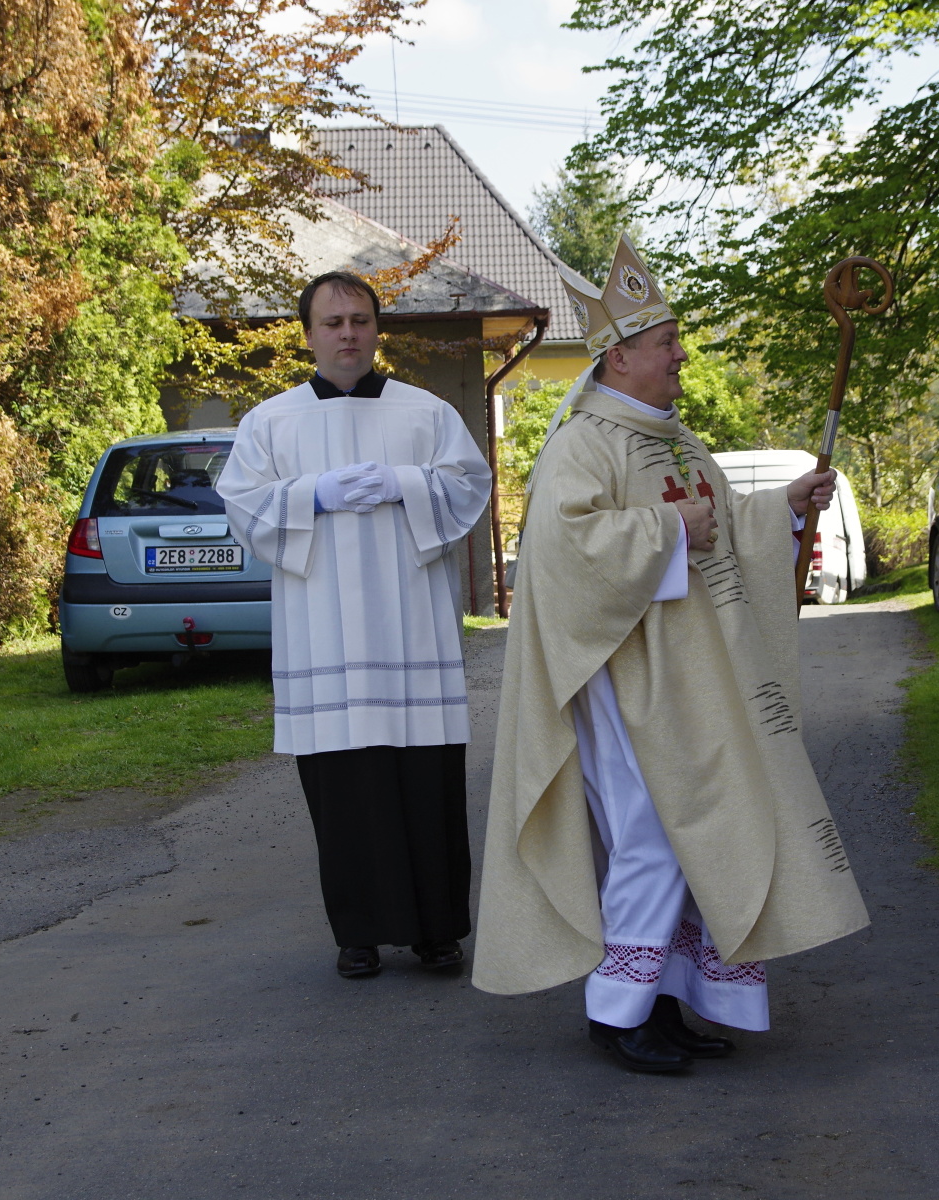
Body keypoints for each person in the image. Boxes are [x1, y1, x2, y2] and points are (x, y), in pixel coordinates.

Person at [472, 235, 869, 1072]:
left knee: (700, 830)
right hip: (624, 676)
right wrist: (663, 530)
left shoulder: (675, 438)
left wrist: (781, 508)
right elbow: (562, 553)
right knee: (651, 834)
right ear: (618, 357)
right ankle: (617, 1014)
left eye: (676, 339)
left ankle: (669, 998)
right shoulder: (584, 442)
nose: (681, 354)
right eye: (666, 342)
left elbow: (717, 524)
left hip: (693, 676)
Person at [216, 271, 491, 980]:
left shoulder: (426, 412)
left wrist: (405, 483)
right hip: (323, 630)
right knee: (344, 788)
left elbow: (470, 485)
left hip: (412, 625)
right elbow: (242, 505)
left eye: (360, 320)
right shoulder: (270, 421)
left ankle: (437, 932)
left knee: (425, 778)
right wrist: (314, 494)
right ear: (308, 334)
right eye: (333, 323)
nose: (348, 334)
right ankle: (359, 932)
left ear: (376, 329)